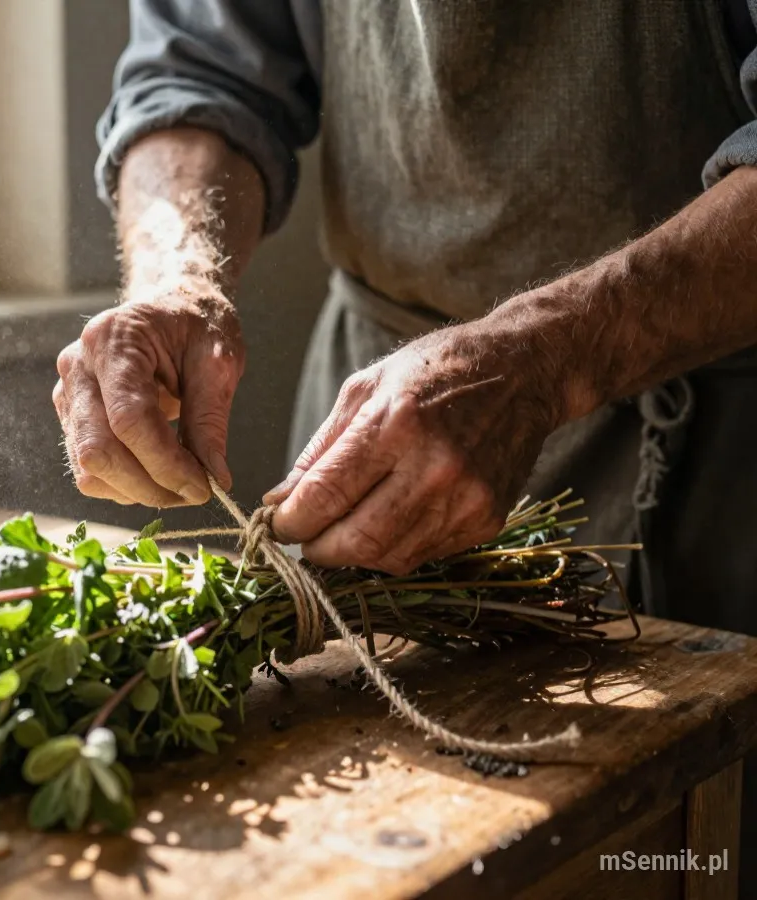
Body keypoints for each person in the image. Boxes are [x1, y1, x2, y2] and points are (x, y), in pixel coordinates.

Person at [54, 0, 757, 629]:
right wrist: (178, 281)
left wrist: (544, 361)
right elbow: (200, 74)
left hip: (715, 465)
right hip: (369, 402)